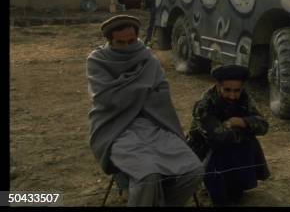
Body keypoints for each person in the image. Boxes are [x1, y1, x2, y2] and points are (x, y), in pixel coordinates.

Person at [87, 15, 203, 207]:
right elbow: (106, 98)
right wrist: (143, 88)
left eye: (131, 41)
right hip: (116, 128)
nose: (127, 47)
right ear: (110, 41)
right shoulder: (98, 60)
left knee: (194, 170)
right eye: (120, 42)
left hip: (154, 123)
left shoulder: (148, 58)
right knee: (147, 177)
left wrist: (124, 88)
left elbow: (161, 96)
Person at [186, 65, 270, 205]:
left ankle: (237, 186)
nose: (232, 96)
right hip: (205, 152)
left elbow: (263, 125)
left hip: (229, 145)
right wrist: (247, 131)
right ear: (218, 86)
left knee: (247, 145)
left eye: (237, 90)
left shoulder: (243, 98)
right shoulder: (204, 106)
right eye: (227, 90)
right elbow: (218, 139)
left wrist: (242, 122)